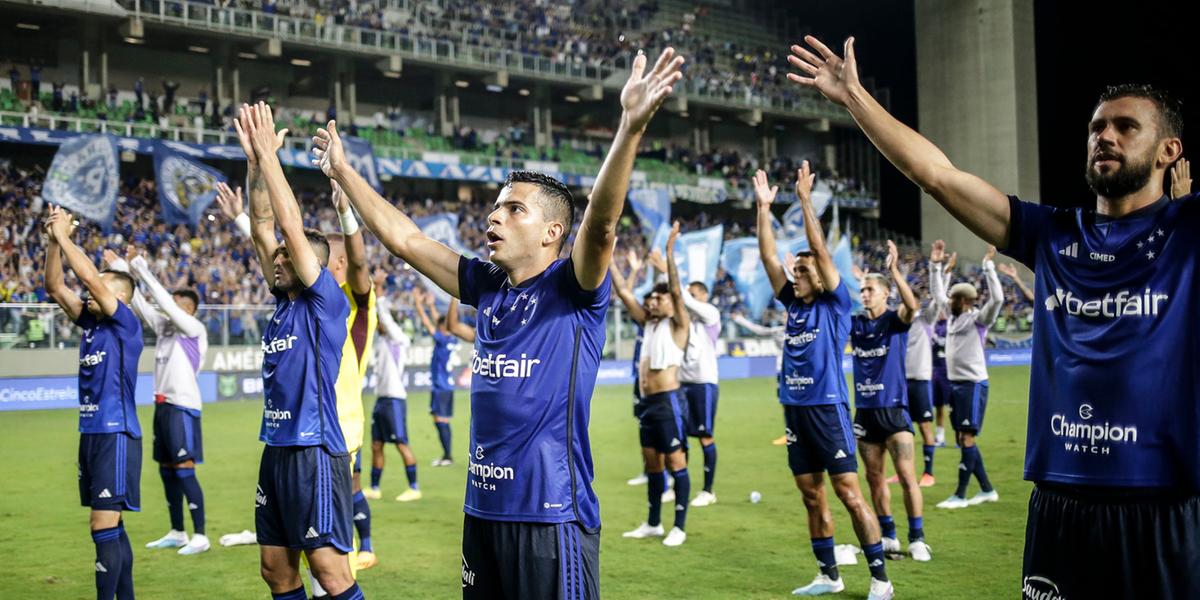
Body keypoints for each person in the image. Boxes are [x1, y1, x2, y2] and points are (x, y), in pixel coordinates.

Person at [791, 37, 1200, 595]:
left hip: (1162, 506)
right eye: (1096, 127)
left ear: (1169, 150)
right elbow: (936, 174)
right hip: (1060, 503)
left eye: (1126, 127)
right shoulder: (1052, 234)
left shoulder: (1186, 234)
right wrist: (855, 98)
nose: (1104, 135)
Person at [313, 47, 684, 599]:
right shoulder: (487, 286)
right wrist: (344, 170)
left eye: (514, 209)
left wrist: (628, 127)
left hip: (551, 515)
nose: (494, 215)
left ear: (552, 232)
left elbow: (602, 227)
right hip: (481, 512)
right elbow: (407, 239)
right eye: (495, 206)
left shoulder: (573, 289)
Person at [234, 102, 360, 600]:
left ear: (315, 267)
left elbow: (285, 228)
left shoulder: (324, 302)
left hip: (315, 449)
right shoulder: (284, 302)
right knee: (275, 570)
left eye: (289, 255)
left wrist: (271, 156)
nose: (278, 257)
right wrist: (253, 165)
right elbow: (264, 227)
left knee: (330, 575)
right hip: (278, 449)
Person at [753, 166, 893, 600]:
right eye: (795, 268)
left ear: (822, 275)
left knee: (850, 494)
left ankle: (881, 581)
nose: (796, 272)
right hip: (794, 408)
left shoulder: (835, 303)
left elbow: (818, 250)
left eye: (804, 269)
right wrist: (762, 208)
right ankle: (829, 575)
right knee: (811, 496)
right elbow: (767, 257)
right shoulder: (792, 304)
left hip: (827, 408)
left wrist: (806, 201)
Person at [44, 206, 144, 600]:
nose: (89, 290)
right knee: (110, 527)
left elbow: (86, 275)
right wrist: (54, 241)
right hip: (91, 434)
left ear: (120, 297)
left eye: (100, 286)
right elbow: (54, 287)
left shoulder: (126, 325)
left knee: (101, 524)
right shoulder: (90, 324)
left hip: (116, 433)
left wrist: (67, 236)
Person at [103, 247, 210, 556]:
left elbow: (160, 301)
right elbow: (139, 302)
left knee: (184, 469)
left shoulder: (194, 330)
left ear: (187, 309)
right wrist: (123, 269)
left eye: (175, 304)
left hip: (183, 407)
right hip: (162, 407)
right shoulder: (165, 330)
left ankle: (201, 535)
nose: (168, 307)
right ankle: (178, 531)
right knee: (166, 471)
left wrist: (142, 268)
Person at [850, 241, 931, 562]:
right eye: (863, 290)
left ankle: (917, 538)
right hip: (866, 413)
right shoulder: (855, 324)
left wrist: (894, 271)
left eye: (870, 289)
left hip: (894, 410)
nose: (865, 294)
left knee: (907, 476)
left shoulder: (895, 322)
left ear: (885, 294)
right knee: (873, 477)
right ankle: (889, 536)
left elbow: (911, 306)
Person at [622, 223, 693, 547]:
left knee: (675, 462)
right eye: (650, 298)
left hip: (668, 401)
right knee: (652, 465)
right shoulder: (648, 324)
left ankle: (678, 526)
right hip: (648, 404)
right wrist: (604, 248)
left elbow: (677, 293)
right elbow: (624, 292)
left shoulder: (678, 324)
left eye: (657, 297)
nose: (652, 301)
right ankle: (653, 523)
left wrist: (668, 255)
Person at [647, 246, 722, 507]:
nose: (688, 297)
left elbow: (681, 298)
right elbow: (672, 300)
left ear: (704, 295)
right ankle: (679, 486)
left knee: (704, 435)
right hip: (681, 383)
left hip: (703, 382)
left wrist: (665, 271)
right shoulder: (681, 320)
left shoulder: (711, 314)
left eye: (694, 293)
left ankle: (708, 490)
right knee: (680, 438)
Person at [930, 246, 1002, 509]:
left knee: (967, 438)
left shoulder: (978, 320)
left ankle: (960, 496)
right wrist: (935, 267)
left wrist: (988, 268)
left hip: (973, 385)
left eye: (953, 299)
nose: (948, 302)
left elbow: (997, 301)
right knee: (963, 438)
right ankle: (987, 490)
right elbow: (937, 294)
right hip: (956, 385)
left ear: (963, 301)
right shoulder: (951, 318)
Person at [366, 272, 420, 503]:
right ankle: (375, 488)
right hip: (382, 400)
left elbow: (384, 316)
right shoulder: (380, 342)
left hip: (395, 399)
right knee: (376, 445)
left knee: (401, 443)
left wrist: (378, 288)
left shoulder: (398, 338)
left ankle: (414, 487)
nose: (378, 322)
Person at [900, 243, 943, 486]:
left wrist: (935, 268)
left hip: (920, 381)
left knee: (925, 426)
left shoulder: (925, 320)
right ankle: (905, 472)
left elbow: (938, 298)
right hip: (901, 383)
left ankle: (928, 473)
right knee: (903, 431)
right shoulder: (899, 323)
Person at [412, 289, 459, 467]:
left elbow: (429, 324)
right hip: (447, 386)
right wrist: (431, 306)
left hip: (441, 386)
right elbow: (440, 322)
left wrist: (419, 305)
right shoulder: (451, 338)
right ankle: (447, 455)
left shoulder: (441, 339)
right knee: (442, 420)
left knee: (440, 421)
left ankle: (447, 456)